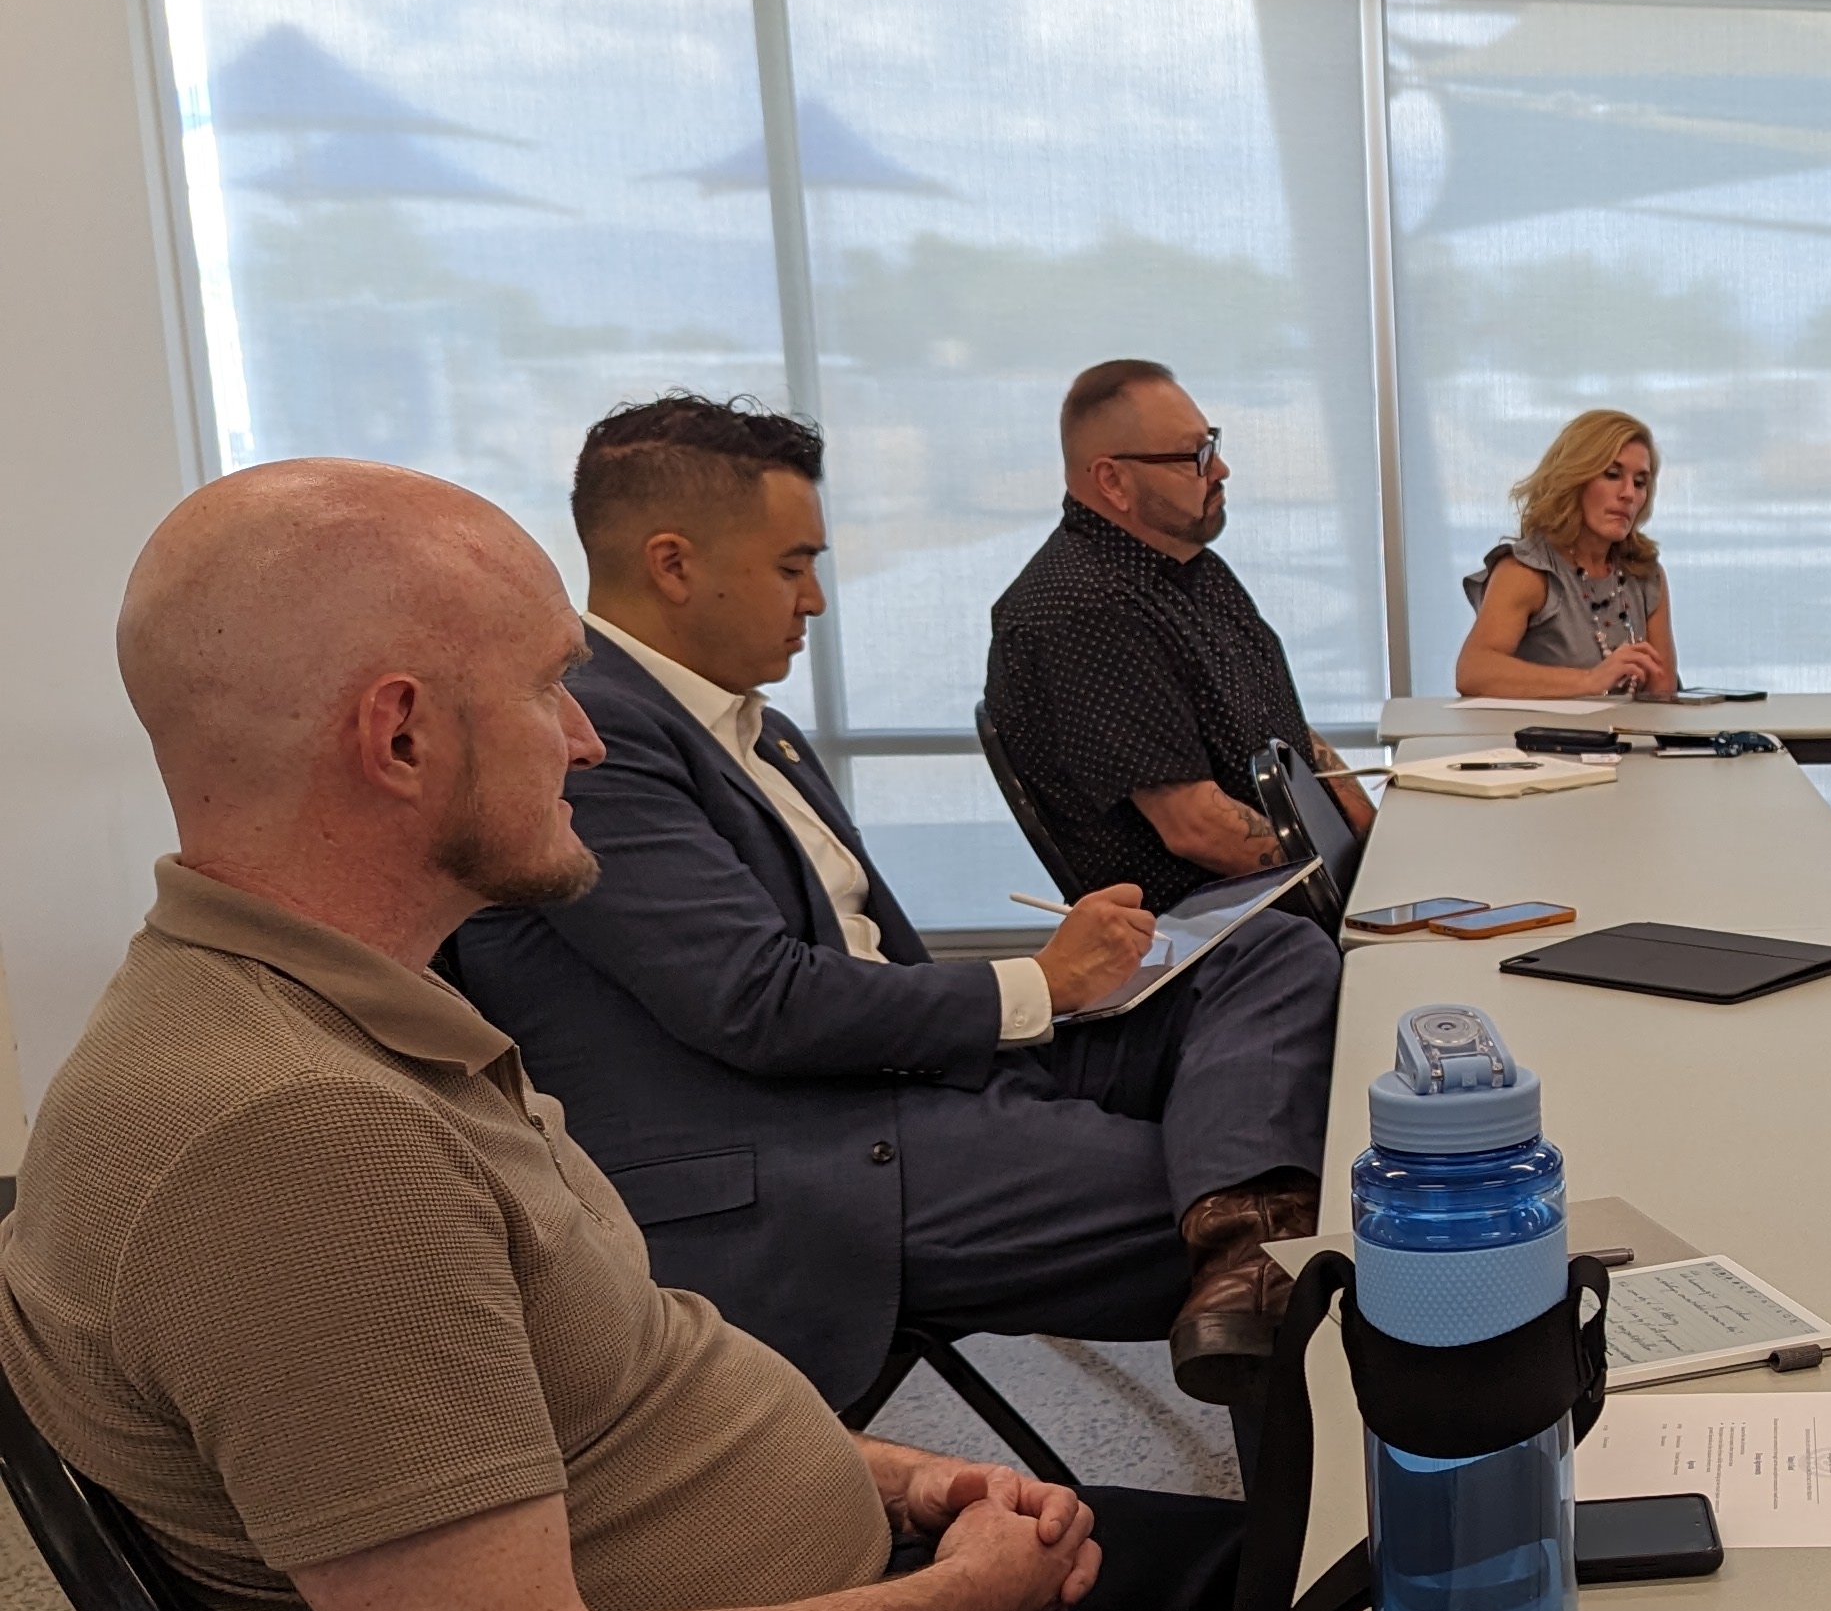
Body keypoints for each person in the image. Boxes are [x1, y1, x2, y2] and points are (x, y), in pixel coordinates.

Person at [1, 457, 1242, 1611]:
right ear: (401, 737)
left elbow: (609, 1383)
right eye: (545, 690)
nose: (589, 737)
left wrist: (904, 1483)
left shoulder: (354, 1017)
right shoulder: (284, 1132)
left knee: (1274, 1593)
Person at [452, 394, 1336, 1410]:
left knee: (1269, 952)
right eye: (793, 566)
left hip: (897, 1073)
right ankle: (1252, 1275)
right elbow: (755, 1003)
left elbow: (858, 971)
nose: (817, 600)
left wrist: (1051, 995)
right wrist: (1037, 986)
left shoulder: (753, 728)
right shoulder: (591, 744)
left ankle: (1239, 1241)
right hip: (801, 1155)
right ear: (674, 564)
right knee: (1308, 1219)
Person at [984, 358, 1373, 908]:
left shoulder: (1186, 566)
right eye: (1194, 457)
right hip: (1221, 928)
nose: (1220, 470)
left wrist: (1374, 843)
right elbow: (1196, 829)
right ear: (1113, 480)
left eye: (1210, 443)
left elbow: (1286, 730)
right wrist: (1350, 887)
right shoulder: (1084, 610)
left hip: (1290, 894)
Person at [1453, 409, 1681, 701]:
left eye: (1640, 482)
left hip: (1632, 743)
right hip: (1541, 744)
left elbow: (1663, 693)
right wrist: (1591, 680)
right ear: (1574, 479)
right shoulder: (1527, 571)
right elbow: (1474, 671)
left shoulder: (1645, 572)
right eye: (1612, 475)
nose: (1628, 494)